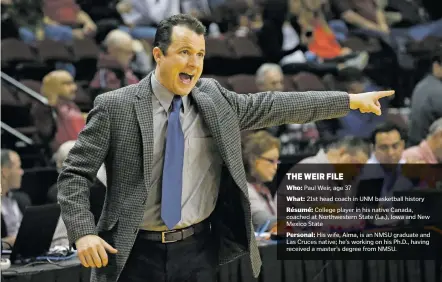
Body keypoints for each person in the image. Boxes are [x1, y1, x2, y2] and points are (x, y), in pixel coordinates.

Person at [57, 13, 394, 282]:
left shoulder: (215, 99)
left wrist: (349, 101)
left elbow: (280, 104)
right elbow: (73, 174)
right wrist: (83, 232)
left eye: (200, 54)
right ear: (158, 55)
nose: (193, 63)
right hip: (132, 253)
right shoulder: (116, 106)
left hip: (197, 250)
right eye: (184, 52)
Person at [242, 131, 279, 232]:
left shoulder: (263, 190)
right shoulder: (246, 188)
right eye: (271, 161)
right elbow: (259, 218)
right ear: (253, 159)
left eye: (277, 161)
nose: (276, 167)